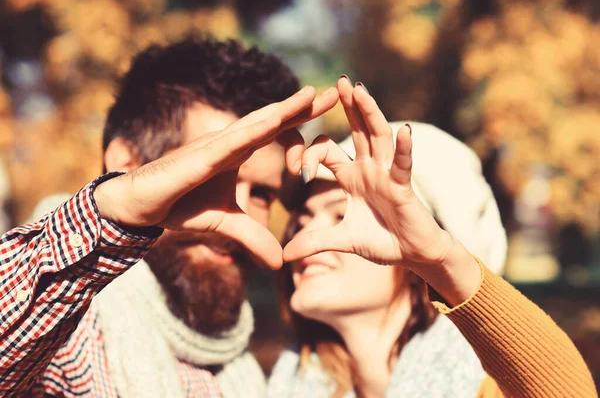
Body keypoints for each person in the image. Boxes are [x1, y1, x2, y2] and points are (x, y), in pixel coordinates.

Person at [0, 37, 339, 398]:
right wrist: (113, 211)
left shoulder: (250, 373)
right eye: (210, 177)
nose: (238, 217)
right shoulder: (65, 332)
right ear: (126, 166)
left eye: (262, 193)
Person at [268, 76, 597, 397]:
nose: (309, 233)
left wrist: (440, 259)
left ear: (414, 265)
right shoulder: (283, 382)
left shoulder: (489, 384)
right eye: (302, 220)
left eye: (341, 217)